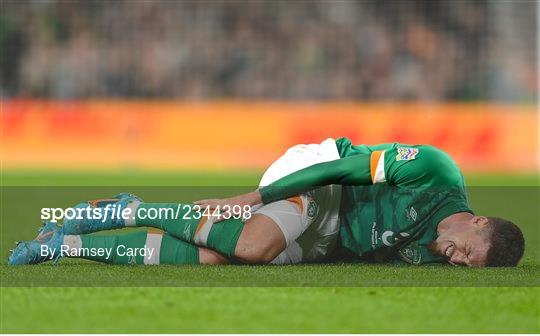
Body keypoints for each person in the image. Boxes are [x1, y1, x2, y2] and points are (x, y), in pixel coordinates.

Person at [9, 138, 525, 267]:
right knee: (253, 243)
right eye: (465, 251)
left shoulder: (430, 252)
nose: (453, 258)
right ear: (478, 221)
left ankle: (65, 245)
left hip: (326, 240)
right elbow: (343, 167)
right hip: (319, 181)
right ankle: (125, 209)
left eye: (464, 266)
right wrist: (253, 197)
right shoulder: (437, 172)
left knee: (213, 258)